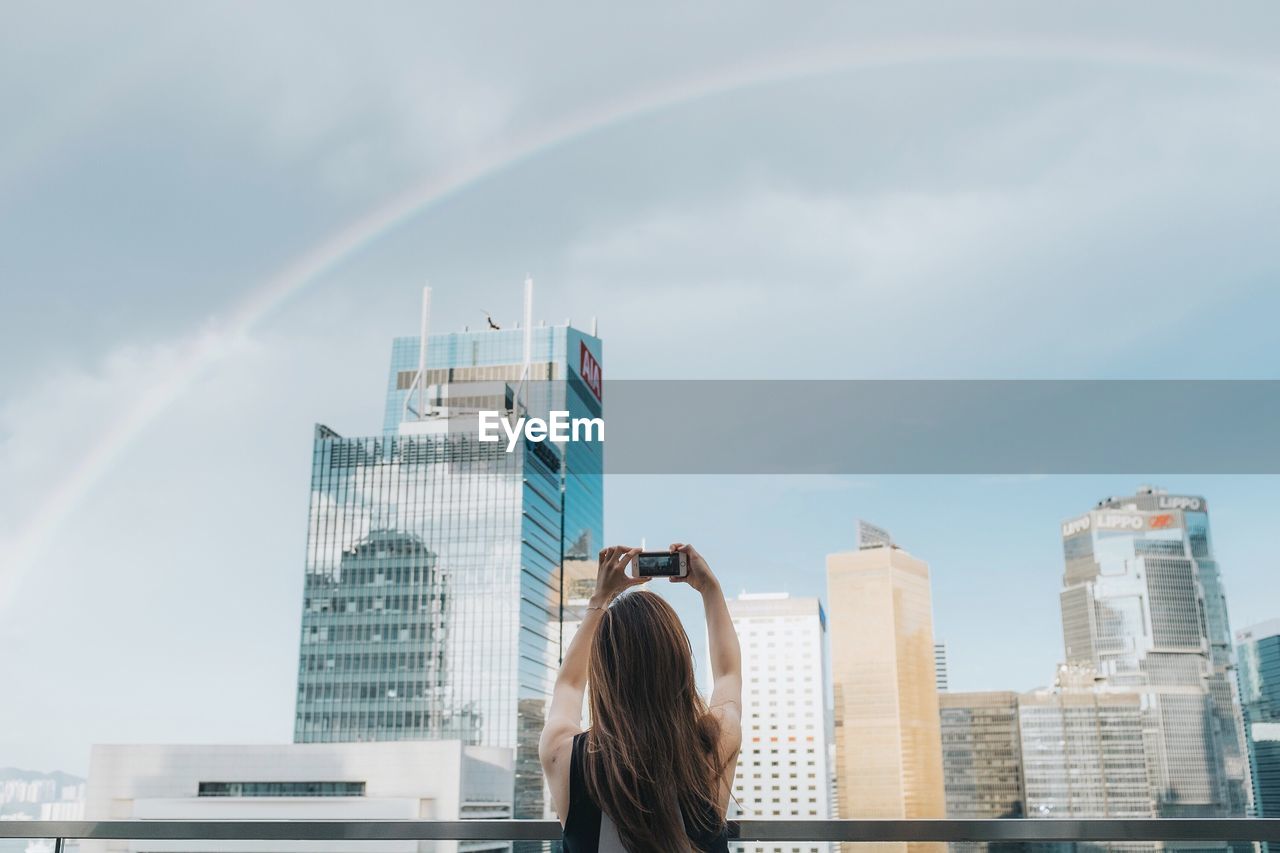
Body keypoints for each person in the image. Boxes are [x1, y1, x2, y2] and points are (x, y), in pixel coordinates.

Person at [539, 543, 743, 853]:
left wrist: (600, 600)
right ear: (679, 665)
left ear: (604, 672)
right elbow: (728, 674)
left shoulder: (564, 755)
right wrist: (709, 588)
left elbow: (568, 685)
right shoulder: (713, 744)